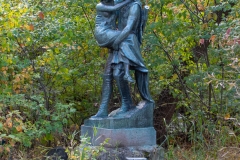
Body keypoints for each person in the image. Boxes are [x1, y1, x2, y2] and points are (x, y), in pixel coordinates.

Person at [92, 0, 153, 118]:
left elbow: (129, 28)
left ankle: (127, 104)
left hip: (126, 41)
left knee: (118, 73)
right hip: (119, 40)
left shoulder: (135, 6)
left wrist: (116, 42)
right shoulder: (120, 3)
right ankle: (103, 109)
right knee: (108, 74)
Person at [95, 0, 135, 83]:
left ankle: (126, 73)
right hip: (102, 32)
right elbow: (115, 8)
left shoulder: (113, 2)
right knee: (128, 37)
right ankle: (131, 69)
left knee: (124, 41)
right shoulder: (100, 5)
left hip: (110, 31)